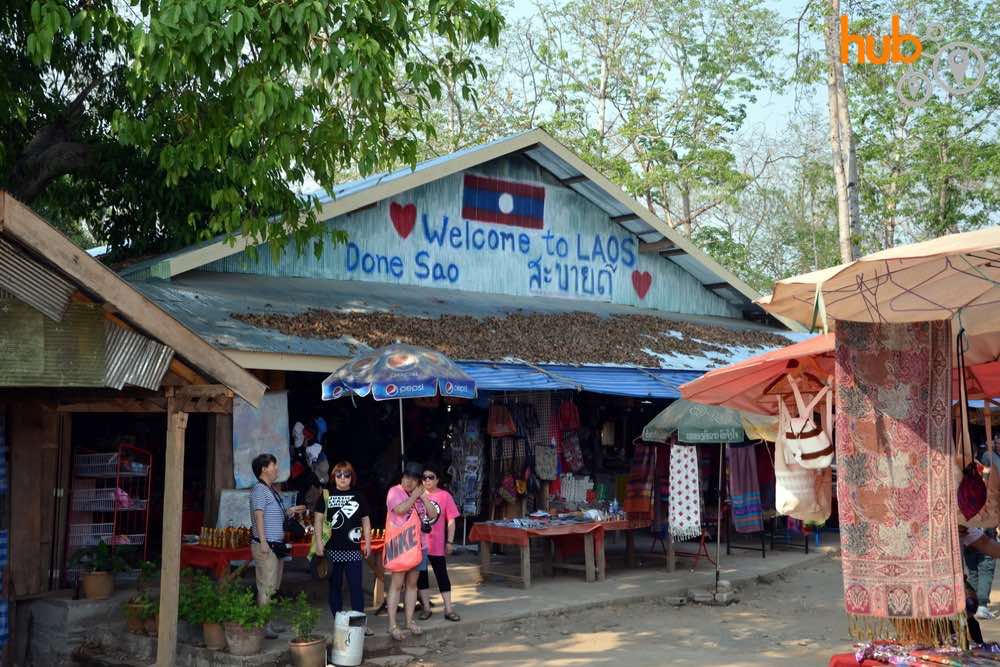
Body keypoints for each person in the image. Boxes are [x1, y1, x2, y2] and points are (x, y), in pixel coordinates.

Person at [313, 461, 374, 636]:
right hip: (332, 550)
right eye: (339, 474)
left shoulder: (359, 496)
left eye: (346, 475)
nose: (342, 478)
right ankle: (338, 624)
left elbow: (366, 521)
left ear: (351, 478)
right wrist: (318, 543)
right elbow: (317, 521)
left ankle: (358, 626)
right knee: (335, 588)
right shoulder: (326, 495)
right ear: (334, 477)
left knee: (356, 588)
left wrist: (368, 542)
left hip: (353, 551)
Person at [250, 453, 305, 638]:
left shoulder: (270, 490)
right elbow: (259, 516)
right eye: (274, 465)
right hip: (266, 545)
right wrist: (263, 541)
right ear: (264, 468)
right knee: (266, 586)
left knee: (272, 587)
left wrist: (289, 511)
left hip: (276, 545)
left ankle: (269, 622)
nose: (276, 469)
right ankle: (263, 625)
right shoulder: (259, 490)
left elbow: (272, 514)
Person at [385, 461, 438, 641]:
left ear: (419, 482)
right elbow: (399, 509)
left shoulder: (420, 494)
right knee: (397, 584)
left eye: (414, 479)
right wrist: (414, 496)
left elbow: (432, 515)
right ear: (402, 477)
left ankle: (409, 621)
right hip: (401, 545)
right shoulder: (394, 491)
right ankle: (392, 625)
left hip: (420, 546)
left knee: (412, 584)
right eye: (407, 477)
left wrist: (423, 497)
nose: (409, 482)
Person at [417, 465, 462, 622]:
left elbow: (451, 520)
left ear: (437, 480)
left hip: (436, 543)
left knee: (442, 575)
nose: (427, 480)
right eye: (424, 477)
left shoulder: (444, 496)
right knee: (421, 576)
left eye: (431, 477)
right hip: (419, 544)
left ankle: (448, 609)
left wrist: (450, 541)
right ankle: (426, 608)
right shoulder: (416, 495)